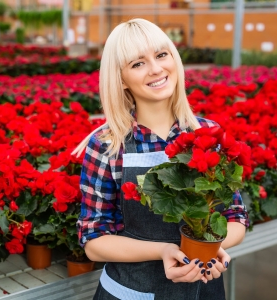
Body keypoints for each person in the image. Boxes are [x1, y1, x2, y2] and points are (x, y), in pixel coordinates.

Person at [72, 18, 249, 299]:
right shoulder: (108, 145)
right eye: (137, 63)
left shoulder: (207, 134)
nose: (156, 69)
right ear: (120, 79)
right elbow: (94, 239)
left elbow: (235, 216)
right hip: (131, 291)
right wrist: (164, 250)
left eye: (161, 55)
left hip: (204, 289)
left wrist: (211, 249)